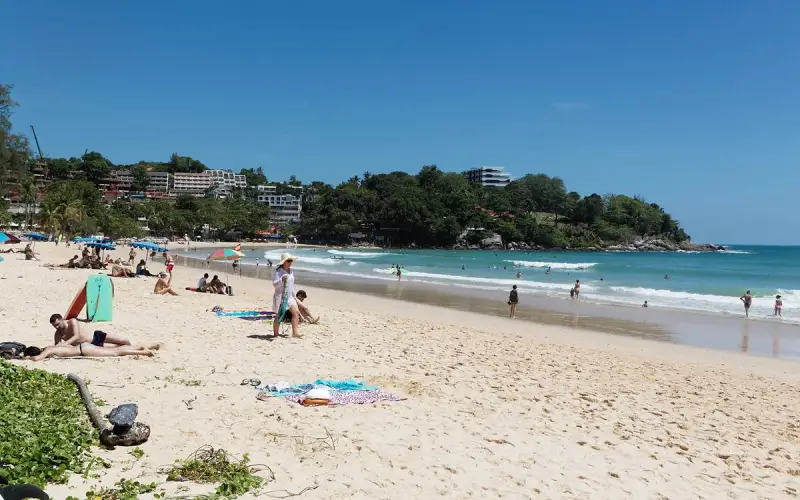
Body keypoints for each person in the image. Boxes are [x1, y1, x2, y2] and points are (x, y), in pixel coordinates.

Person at [49, 313, 132, 347]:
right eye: (54, 326)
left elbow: (76, 336)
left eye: (57, 324)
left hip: (95, 336)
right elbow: (57, 346)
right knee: (117, 346)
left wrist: (65, 344)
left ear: (62, 319)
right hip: (91, 346)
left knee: (124, 341)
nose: (56, 327)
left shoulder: (72, 322)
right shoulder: (58, 334)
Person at [272, 253, 302, 338]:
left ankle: (295, 333)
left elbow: (291, 285)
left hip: (290, 297)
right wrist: (281, 279)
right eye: (289, 261)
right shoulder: (278, 271)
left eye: (291, 261)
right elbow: (274, 284)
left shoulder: (291, 270)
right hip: (280, 297)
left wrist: (294, 296)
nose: (290, 262)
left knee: (296, 313)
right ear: (284, 262)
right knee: (279, 315)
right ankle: (275, 334)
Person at [28, 343, 156, 362]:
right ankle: (142, 347)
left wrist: (27, 358)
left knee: (115, 352)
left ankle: (144, 353)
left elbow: (37, 359)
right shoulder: (49, 347)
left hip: (84, 350)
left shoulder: (48, 350)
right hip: (82, 347)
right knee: (114, 349)